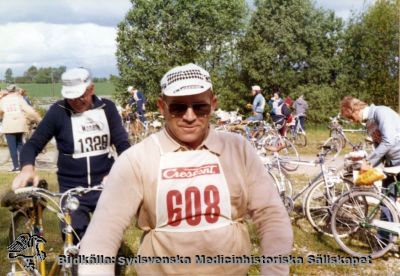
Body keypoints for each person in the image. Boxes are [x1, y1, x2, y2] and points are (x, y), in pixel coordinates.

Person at [78, 63, 292, 275]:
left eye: (200, 107)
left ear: (213, 104)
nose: (190, 117)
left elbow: (271, 216)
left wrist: (274, 271)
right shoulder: (136, 159)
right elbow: (103, 233)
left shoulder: (238, 149)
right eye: (178, 107)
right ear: (162, 107)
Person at [12, 67, 130, 243]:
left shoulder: (108, 108)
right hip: (72, 189)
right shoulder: (58, 111)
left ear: (91, 89)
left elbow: (123, 144)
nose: (76, 101)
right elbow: (33, 144)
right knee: (75, 243)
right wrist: (27, 169)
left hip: (106, 185)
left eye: (81, 96)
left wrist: (121, 170)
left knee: (109, 242)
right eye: (71, 97)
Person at [340, 96, 399, 241]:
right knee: (386, 201)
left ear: (354, 109)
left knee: (389, 200)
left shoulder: (381, 112)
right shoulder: (369, 123)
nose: (351, 121)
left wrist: (368, 161)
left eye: (350, 116)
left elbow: (389, 141)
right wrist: (367, 161)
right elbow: (379, 147)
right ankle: (384, 240)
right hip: (392, 163)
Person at [0, 84, 41, 171]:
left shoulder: (3, 100)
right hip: (20, 124)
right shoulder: (19, 99)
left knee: (12, 147)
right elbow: (29, 110)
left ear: (7, 91)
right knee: (20, 145)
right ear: (15, 90)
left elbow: (0, 111)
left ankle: (16, 166)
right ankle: (24, 164)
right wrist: (38, 119)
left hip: (9, 125)